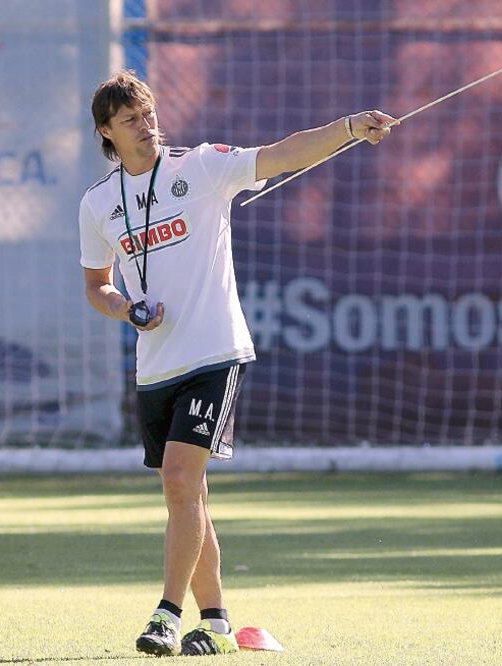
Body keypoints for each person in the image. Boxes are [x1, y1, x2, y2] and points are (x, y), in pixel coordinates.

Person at [78, 69, 395, 657]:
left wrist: (350, 127)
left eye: (149, 115)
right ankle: (218, 622)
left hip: (215, 351)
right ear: (106, 132)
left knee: (179, 480)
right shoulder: (98, 203)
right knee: (187, 496)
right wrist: (127, 310)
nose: (146, 127)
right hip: (155, 365)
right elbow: (97, 286)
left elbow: (282, 153)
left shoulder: (199, 166)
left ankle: (166, 616)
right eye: (130, 121)